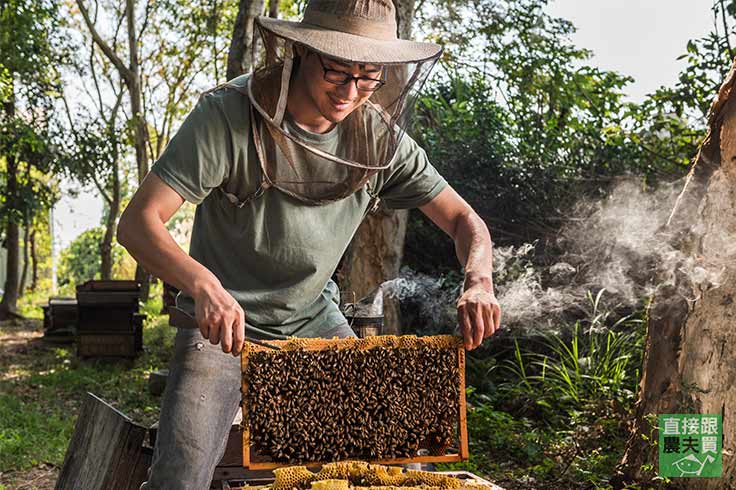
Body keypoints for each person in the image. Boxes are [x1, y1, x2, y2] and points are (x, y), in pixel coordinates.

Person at [117, 0, 502, 487]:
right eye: (338, 72)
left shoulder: (380, 141)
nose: (351, 92)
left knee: (401, 453)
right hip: (219, 326)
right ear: (301, 51)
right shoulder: (226, 116)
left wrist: (480, 282)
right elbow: (137, 223)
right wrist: (204, 286)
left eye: (368, 78)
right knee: (181, 473)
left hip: (313, 318)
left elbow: (467, 221)